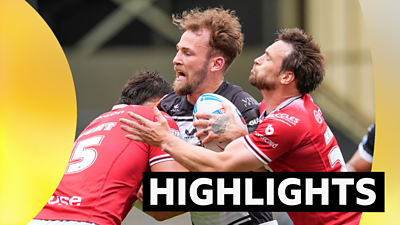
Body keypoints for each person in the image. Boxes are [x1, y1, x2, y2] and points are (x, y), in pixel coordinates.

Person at [120, 28, 362, 225]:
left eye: (268, 58)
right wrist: (244, 135)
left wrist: (165, 140)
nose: (257, 59)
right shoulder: (277, 112)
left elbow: (221, 166)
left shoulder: (289, 121)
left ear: (286, 77)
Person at [138, 6, 275, 225]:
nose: (176, 59)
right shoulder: (166, 108)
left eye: (187, 53)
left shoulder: (241, 106)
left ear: (216, 63)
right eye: (178, 50)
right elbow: (162, 209)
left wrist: (241, 141)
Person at [29, 70, 187, 225]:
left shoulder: (95, 124)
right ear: (162, 103)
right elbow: (170, 198)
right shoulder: (156, 119)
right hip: (87, 219)